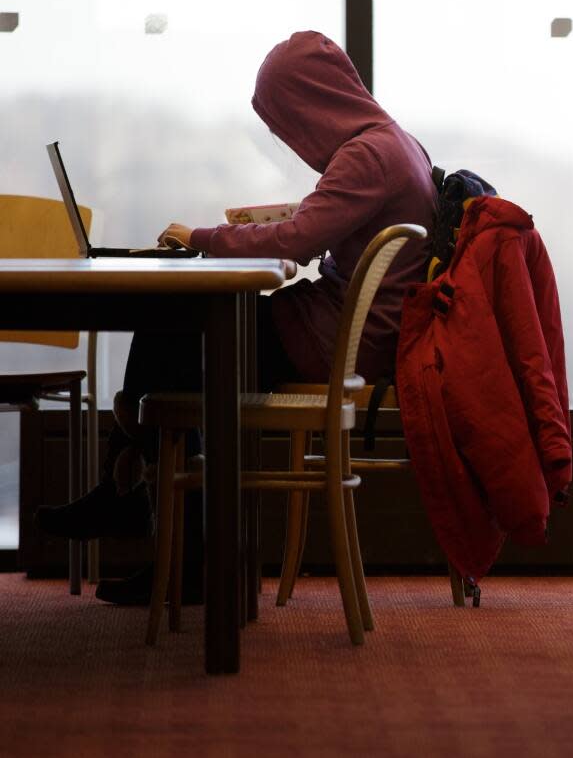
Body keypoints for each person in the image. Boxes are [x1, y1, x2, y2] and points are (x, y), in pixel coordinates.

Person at [36, 31, 438, 604]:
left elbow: (299, 242)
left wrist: (199, 237)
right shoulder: (396, 144)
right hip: (345, 329)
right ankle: (144, 508)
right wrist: (269, 221)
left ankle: (145, 508)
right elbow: (322, 220)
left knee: (176, 334)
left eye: (287, 119)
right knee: (174, 336)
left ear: (312, 103)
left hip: (332, 340)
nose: (289, 135)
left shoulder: (366, 155)